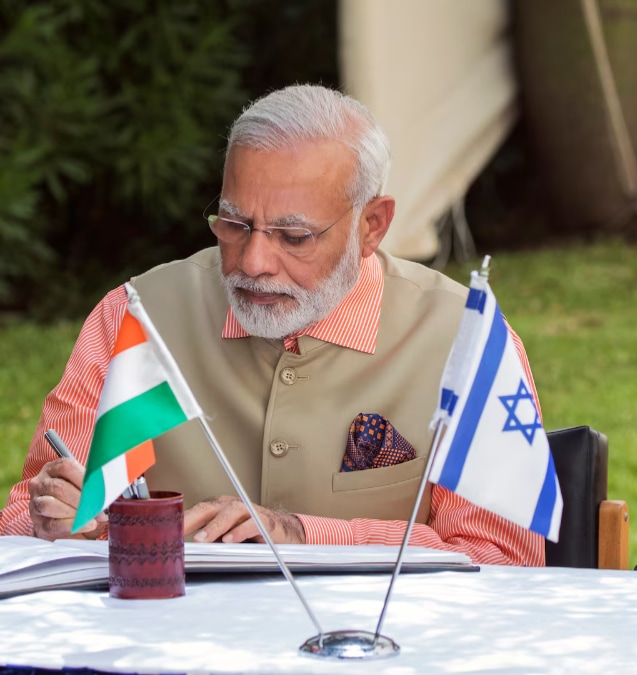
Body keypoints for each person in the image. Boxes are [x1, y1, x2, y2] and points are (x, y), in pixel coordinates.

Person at [0, 84, 544, 567]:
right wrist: (57, 519)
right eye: (235, 224)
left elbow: (505, 560)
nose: (254, 261)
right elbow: (24, 520)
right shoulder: (138, 318)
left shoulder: (463, 341)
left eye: (294, 236)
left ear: (371, 226)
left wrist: (304, 536)